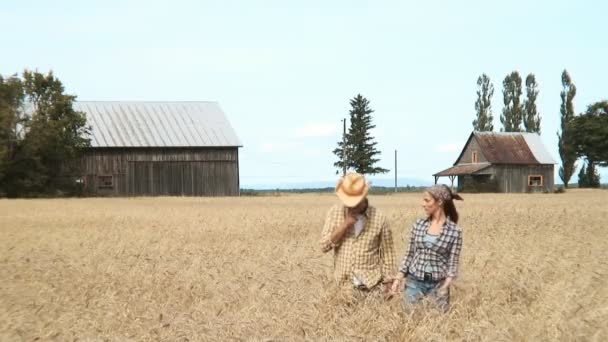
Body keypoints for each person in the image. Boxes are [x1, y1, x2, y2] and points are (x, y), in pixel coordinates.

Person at [390, 184, 463, 312]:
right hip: (414, 283)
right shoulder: (418, 225)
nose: (422, 204)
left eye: (427, 200)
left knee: (437, 325)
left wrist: (445, 287)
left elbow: (453, 263)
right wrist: (397, 280)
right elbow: (409, 254)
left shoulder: (454, 231)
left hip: (438, 285)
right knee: (409, 322)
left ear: (439, 201)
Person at [320, 172, 396, 294]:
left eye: (355, 201)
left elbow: (388, 254)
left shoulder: (379, 218)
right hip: (342, 286)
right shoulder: (334, 213)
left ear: (364, 196)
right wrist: (345, 225)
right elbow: (324, 246)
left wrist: (389, 282)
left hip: (370, 286)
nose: (351, 205)